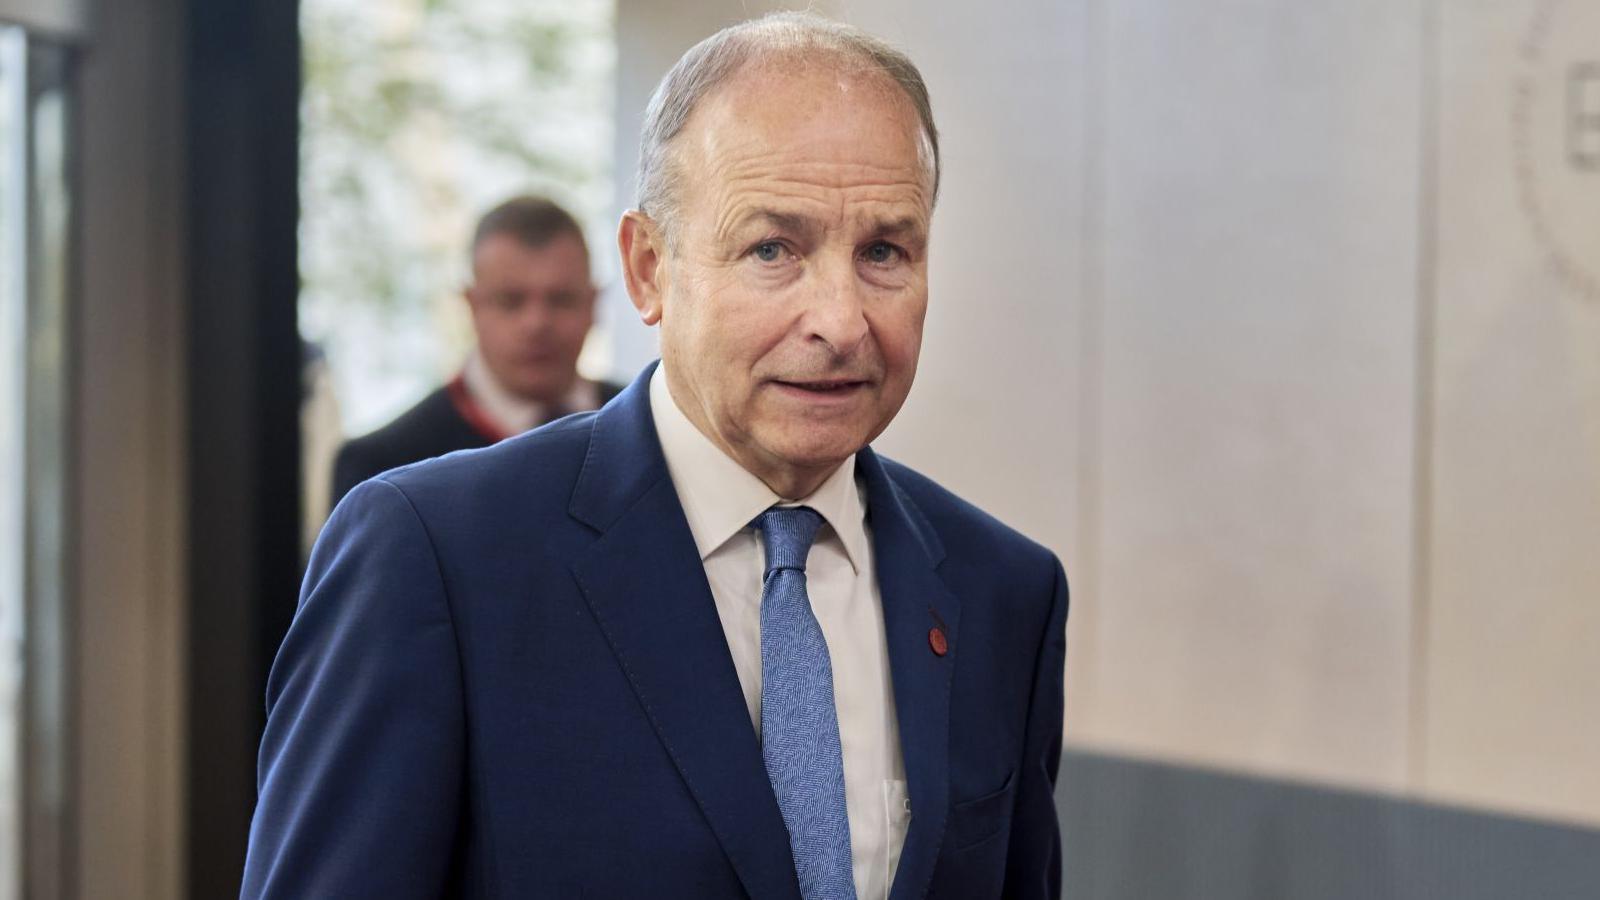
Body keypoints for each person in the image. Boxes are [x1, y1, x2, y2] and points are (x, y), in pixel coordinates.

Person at [243, 12, 1067, 900]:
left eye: (883, 251)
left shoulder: (1002, 594)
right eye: (772, 249)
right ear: (647, 269)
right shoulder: (435, 557)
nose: (840, 319)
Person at [327, 195, 623, 508]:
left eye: (561, 299)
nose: (536, 323)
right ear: (471, 306)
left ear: (594, 304)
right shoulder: (383, 468)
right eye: (510, 301)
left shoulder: (650, 433)